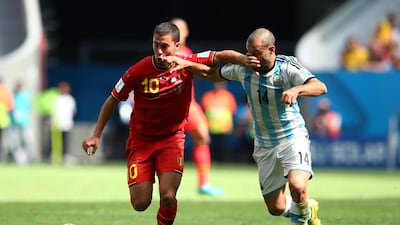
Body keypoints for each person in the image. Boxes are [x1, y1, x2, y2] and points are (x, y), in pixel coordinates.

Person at [81, 21, 259, 225]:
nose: (159, 51)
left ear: (177, 46)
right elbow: (113, 99)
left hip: (171, 140)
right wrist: (96, 134)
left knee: (167, 196)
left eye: (164, 46)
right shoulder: (138, 71)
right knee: (140, 203)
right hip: (141, 142)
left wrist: (244, 60)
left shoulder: (186, 61)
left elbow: (219, 56)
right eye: (156, 45)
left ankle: (198, 188)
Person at [184, 28, 326, 225]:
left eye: (256, 53)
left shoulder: (287, 66)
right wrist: (186, 64)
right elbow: (213, 75)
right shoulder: (244, 68)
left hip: (292, 138)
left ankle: (302, 220)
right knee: (275, 208)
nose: (252, 58)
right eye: (248, 53)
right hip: (264, 144)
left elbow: (320, 86)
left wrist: (297, 89)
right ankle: (307, 207)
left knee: (297, 185)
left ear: (271, 49)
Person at [170, 17, 223, 196]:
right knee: (167, 144)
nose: (178, 32)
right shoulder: (168, 53)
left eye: (181, 29)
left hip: (189, 104)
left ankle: (204, 183)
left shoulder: (186, 51)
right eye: (174, 28)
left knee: (202, 137)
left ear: (186, 32)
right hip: (171, 106)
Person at [201, 82, 237, 162]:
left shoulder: (228, 96)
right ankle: (212, 162)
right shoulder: (208, 96)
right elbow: (204, 110)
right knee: (212, 148)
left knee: (225, 148)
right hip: (211, 127)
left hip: (225, 128)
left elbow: (233, 110)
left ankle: (226, 163)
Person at [9, 81, 35, 164]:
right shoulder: (13, 96)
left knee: (27, 141)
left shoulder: (25, 97)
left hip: (24, 123)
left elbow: (29, 108)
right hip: (14, 123)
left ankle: (29, 158)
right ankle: (18, 159)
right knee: (15, 142)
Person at [53, 81, 76, 162]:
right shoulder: (56, 99)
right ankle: (56, 157)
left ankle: (65, 156)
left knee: (66, 141)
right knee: (57, 142)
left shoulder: (70, 99)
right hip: (57, 124)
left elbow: (73, 111)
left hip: (67, 123)